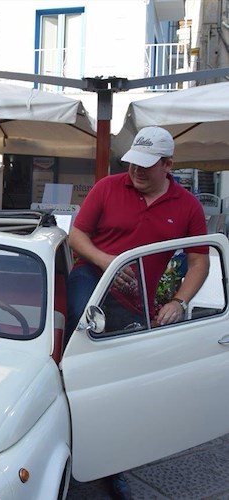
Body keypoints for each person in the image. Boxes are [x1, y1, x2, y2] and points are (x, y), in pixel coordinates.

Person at [66, 126, 209, 500]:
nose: (136, 171)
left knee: (123, 383)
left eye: (146, 166)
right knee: (84, 333)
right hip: (92, 279)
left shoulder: (188, 205)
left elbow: (199, 262)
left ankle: (111, 461)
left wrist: (178, 301)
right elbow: (76, 235)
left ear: (168, 165)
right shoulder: (107, 187)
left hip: (135, 302)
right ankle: (68, 438)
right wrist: (105, 261)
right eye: (133, 163)